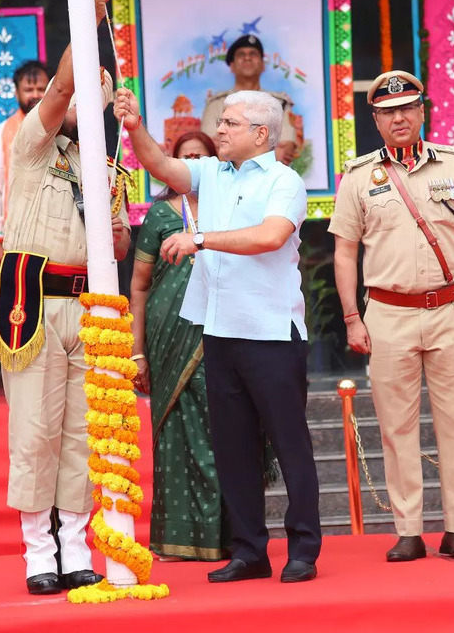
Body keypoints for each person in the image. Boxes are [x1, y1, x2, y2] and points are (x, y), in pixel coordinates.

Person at [115, 86, 321, 584]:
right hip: (220, 331)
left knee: (289, 444)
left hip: (271, 332)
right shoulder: (213, 174)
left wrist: (200, 238)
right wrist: (134, 126)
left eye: (229, 123)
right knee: (232, 447)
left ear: (260, 133)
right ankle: (249, 549)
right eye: (221, 121)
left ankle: (303, 549)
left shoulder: (284, 180)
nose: (219, 130)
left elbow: (270, 236)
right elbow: (162, 168)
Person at [329, 70, 454, 561]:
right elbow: (345, 252)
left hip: (451, 308)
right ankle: (408, 529)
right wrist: (351, 317)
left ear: (422, 111)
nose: (399, 118)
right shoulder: (360, 176)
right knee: (396, 425)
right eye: (388, 112)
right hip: (387, 311)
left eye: (407, 107)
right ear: (376, 120)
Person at [0, 0, 132, 596]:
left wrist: (113, 208)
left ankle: (77, 546)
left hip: (91, 305)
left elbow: (123, 245)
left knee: (83, 432)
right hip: (33, 306)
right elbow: (60, 85)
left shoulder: (106, 167)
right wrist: (89, 10)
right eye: (76, 95)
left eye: (94, 98)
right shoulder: (30, 144)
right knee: (36, 431)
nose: (82, 105)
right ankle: (36, 552)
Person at [127, 130, 228, 561]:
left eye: (200, 158)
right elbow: (139, 286)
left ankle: (227, 535)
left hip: (223, 332)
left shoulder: (231, 208)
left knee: (221, 432)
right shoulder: (159, 215)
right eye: (185, 157)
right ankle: (175, 538)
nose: (191, 164)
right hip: (168, 336)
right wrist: (137, 350)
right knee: (173, 436)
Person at [0, 60, 51, 265]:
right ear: (16, 93)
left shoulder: (64, 127)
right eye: (29, 89)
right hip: (17, 235)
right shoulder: (1, 132)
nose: (35, 95)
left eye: (41, 89)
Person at [200, 34, 299, 165]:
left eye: (253, 54)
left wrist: (234, 151)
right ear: (232, 66)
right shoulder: (215, 104)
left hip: (269, 183)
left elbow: (284, 152)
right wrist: (265, 152)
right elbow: (212, 151)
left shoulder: (280, 104)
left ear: (263, 65)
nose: (247, 57)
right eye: (241, 54)